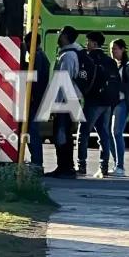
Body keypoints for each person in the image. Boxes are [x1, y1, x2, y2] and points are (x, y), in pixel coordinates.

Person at [77, 31, 120, 178]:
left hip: (93, 101)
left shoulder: (89, 59)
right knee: (104, 135)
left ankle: (81, 165)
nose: (86, 44)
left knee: (84, 134)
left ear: (94, 43)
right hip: (108, 103)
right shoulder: (110, 61)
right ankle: (104, 167)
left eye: (88, 41)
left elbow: (83, 78)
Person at [45, 26, 84, 179]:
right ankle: (65, 167)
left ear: (65, 37)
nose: (58, 37)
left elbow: (63, 82)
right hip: (70, 100)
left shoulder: (67, 56)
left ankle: (65, 168)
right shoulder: (72, 54)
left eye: (59, 34)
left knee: (61, 134)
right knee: (65, 133)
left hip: (66, 101)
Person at [109, 38, 129, 177]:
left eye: (115, 49)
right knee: (109, 134)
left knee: (116, 132)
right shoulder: (116, 65)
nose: (113, 52)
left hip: (123, 102)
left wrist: (116, 84)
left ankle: (120, 166)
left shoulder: (127, 66)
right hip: (114, 102)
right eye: (111, 49)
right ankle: (116, 163)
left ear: (123, 49)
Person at [22, 31, 51, 169]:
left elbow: (35, 79)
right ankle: (36, 162)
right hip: (40, 99)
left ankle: (37, 163)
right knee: (32, 131)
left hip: (36, 100)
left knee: (32, 131)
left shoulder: (37, 56)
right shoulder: (43, 56)